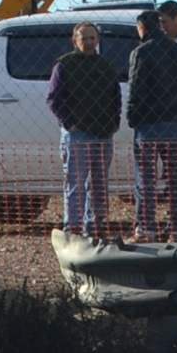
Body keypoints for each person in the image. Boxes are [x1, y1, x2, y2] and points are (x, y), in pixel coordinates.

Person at [122, 2, 177, 243]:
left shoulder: (141, 53)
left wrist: (132, 117)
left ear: (142, 28)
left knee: (146, 179)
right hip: (174, 124)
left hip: (148, 125)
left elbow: (136, 88)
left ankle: (146, 228)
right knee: (176, 178)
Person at [45, 20, 121, 238]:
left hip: (103, 133)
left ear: (98, 40)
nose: (88, 42)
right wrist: (70, 123)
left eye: (92, 38)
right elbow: (54, 99)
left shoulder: (106, 66)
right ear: (74, 40)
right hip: (77, 134)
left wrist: (113, 123)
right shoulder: (64, 65)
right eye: (84, 38)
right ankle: (74, 229)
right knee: (76, 183)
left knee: (99, 184)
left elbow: (115, 98)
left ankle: (96, 227)